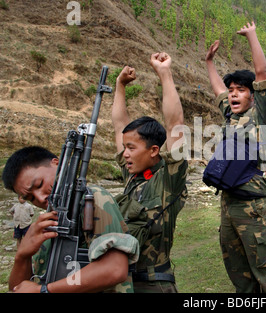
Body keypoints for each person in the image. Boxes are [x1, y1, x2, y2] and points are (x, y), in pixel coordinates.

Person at [204, 21, 266, 293]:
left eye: (241, 89)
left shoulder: (262, 117)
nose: (234, 94)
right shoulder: (231, 115)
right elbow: (218, 89)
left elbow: (261, 73)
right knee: (239, 275)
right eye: (232, 90)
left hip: (253, 208)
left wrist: (251, 36)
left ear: (253, 95)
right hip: (228, 206)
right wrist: (209, 62)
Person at [2, 146, 139, 293]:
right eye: (31, 198)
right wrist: (22, 255)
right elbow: (18, 289)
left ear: (57, 163)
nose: (41, 198)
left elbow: (115, 269)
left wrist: (44, 290)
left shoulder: (91, 198)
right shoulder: (48, 223)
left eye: (39, 184)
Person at [111, 52, 188, 293]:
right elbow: (118, 126)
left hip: (154, 284)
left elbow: (175, 125)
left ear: (154, 150)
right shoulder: (132, 176)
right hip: (120, 282)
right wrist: (120, 85)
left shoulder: (168, 181)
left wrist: (164, 73)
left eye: (131, 148)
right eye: (125, 148)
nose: (125, 154)